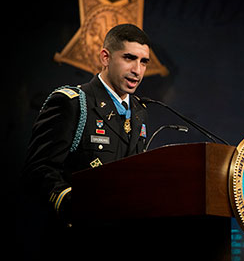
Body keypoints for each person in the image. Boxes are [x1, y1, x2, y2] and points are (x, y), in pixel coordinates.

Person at [23, 23, 151, 227]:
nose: (137, 70)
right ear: (105, 58)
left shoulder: (138, 112)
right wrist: (72, 206)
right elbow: (40, 169)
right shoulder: (72, 103)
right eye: (129, 58)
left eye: (144, 62)